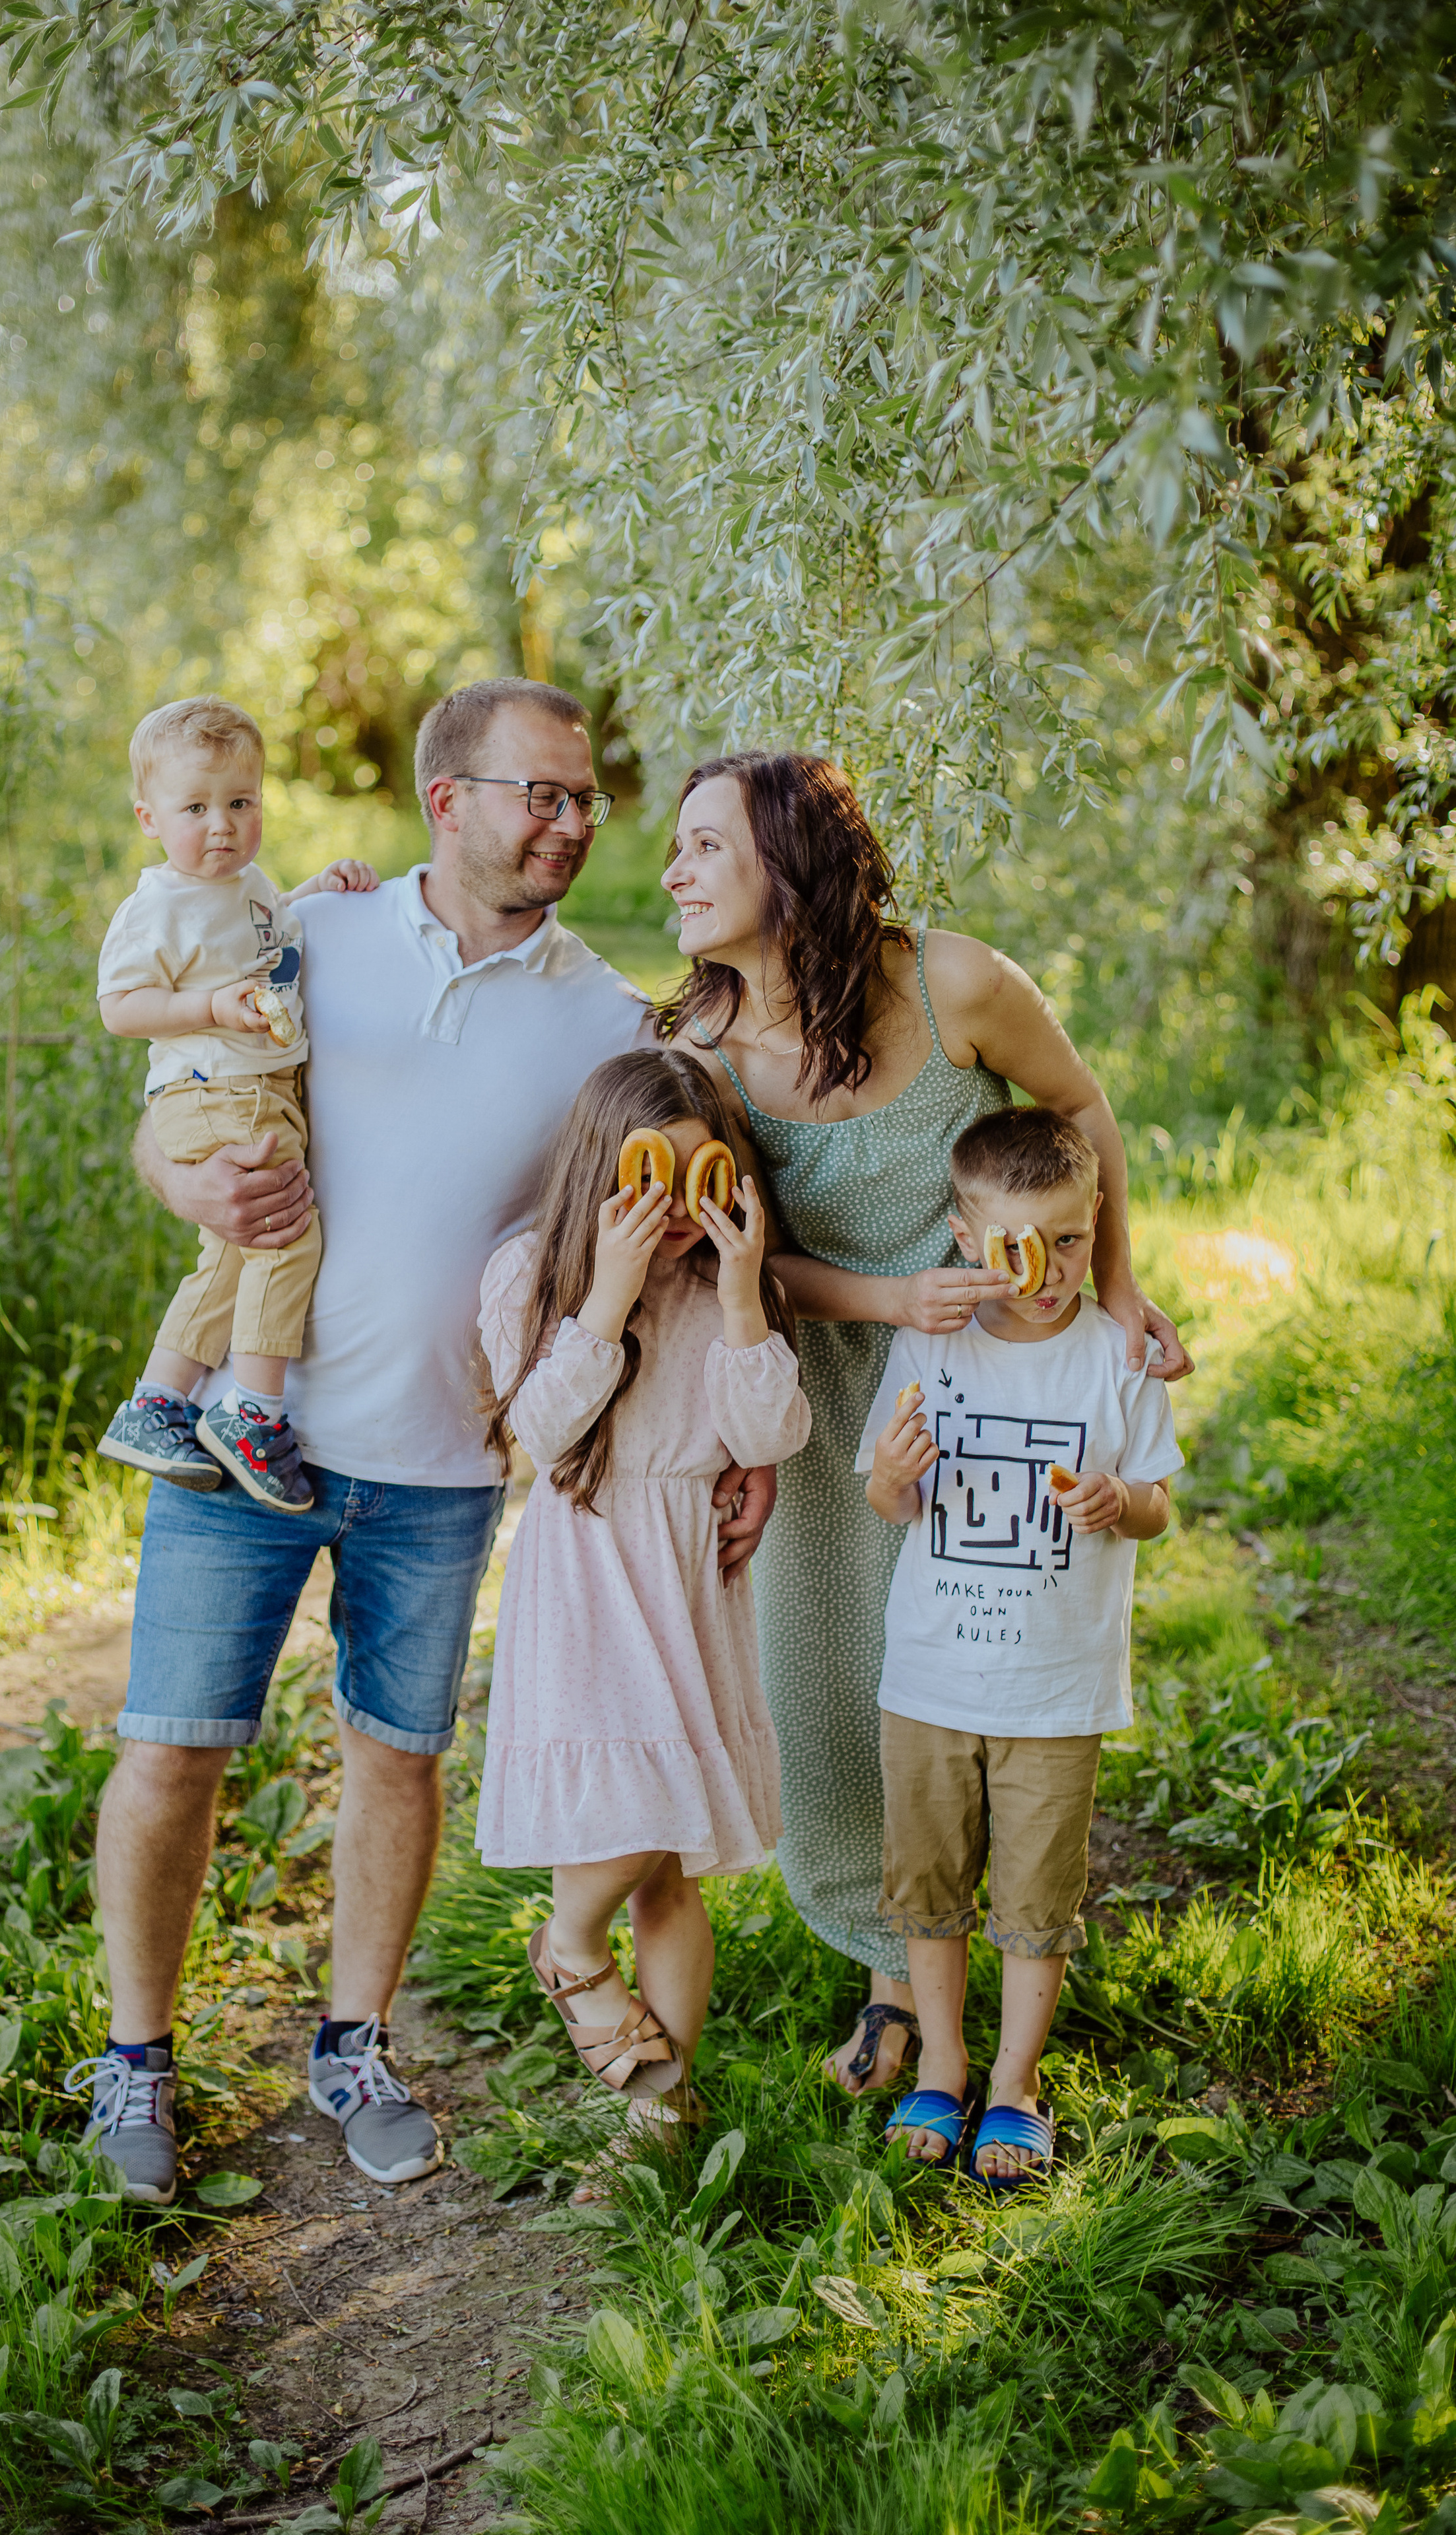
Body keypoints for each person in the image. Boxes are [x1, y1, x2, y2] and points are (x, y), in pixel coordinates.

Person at [70, 679, 776, 2203]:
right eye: (540, 794)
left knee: (395, 1758)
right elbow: (168, 1097)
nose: (572, 824)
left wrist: (749, 1427)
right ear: (444, 799)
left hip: (443, 1465)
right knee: (172, 1743)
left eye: (584, 799)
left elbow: (692, 1187)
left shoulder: (606, 1017)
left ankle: (353, 2040)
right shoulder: (301, 935)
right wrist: (182, 1186)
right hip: (242, 1432)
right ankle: (134, 2059)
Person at [659, 752, 1193, 2102]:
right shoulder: (697, 1050)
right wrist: (886, 1296)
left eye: (703, 848)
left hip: (994, 1384)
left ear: (788, 870)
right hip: (822, 1389)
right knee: (827, 1695)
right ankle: (891, 1976)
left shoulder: (951, 984)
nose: (670, 872)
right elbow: (731, 1262)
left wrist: (1116, 1287)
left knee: (977, 1670)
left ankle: (973, 1959)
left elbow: (1075, 1109)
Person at [477, 1050, 811, 2162]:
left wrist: (737, 1293)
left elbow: (768, 1438)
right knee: (632, 1805)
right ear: (599, 1172)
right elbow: (536, 1434)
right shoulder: (530, 1275)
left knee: (668, 1862)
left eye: (697, 1176)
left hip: (689, 1582)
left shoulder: (728, 1291)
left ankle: (659, 2120)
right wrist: (610, 1295)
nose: (673, 1211)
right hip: (587, 1586)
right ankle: (571, 1939)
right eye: (646, 1180)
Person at [855, 1106, 1181, 2186]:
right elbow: (890, 1502)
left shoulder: (1115, 1355)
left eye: (1072, 1241)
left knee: (1037, 1903)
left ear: (1097, 1226)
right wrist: (895, 1476)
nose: (1045, 1271)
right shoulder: (927, 1344)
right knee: (929, 1886)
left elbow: (1160, 1505)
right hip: (932, 1679)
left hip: (1057, 1688)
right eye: (1013, 1245)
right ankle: (940, 2066)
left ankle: (1015, 2084)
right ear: (964, 1237)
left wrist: (1119, 1501)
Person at [94, 694, 377, 1514]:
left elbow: (271, 938)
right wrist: (212, 1009)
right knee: (286, 1236)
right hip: (218, 1088)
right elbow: (120, 1008)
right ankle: (252, 1411)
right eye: (195, 808)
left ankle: (158, 1402)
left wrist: (318, 890)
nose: (221, 825)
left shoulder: (246, 886)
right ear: (150, 817)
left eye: (240, 803)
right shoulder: (156, 906)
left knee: (228, 1253)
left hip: (257, 1088)